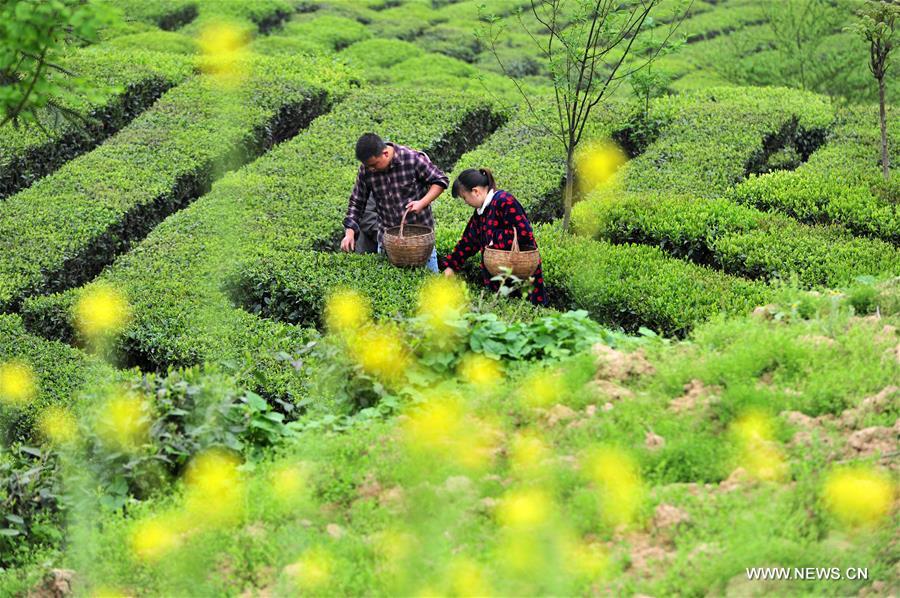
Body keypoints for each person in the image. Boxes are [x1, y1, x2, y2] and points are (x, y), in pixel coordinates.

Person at [341, 133, 448, 272]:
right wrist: (349, 233)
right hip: (388, 244)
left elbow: (440, 180)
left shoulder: (411, 159)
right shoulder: (366, 170)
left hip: (420, 242)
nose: (371, 169)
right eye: (368, 166)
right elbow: (357, 202)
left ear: (385, 153)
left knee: (431, 289)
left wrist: (422, 202)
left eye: (374, 165)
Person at [442, 168, 548, 306]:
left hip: (521, 271)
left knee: (530, 313)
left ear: (475, 191)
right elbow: (468, 242)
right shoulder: (480, 213)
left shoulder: (504, 201)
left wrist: (493, 239)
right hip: (498, 276)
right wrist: (451, 266)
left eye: (464, 197)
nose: (466, 202)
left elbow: (525, 233)